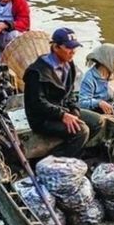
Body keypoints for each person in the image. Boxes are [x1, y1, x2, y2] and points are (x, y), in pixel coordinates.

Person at [23, 28, 104, 159]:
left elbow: (70, 93)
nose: (73, 52)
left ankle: (75, 151)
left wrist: (74, 110)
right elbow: (38, 104)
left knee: (97, 121)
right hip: (43, 118)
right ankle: (53, 161)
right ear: (55, 47)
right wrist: (62, 115)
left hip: (62, 110)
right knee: (82, 131)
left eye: (74, 48)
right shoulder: (36, 72)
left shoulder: (69, 64)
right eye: (68, 48)